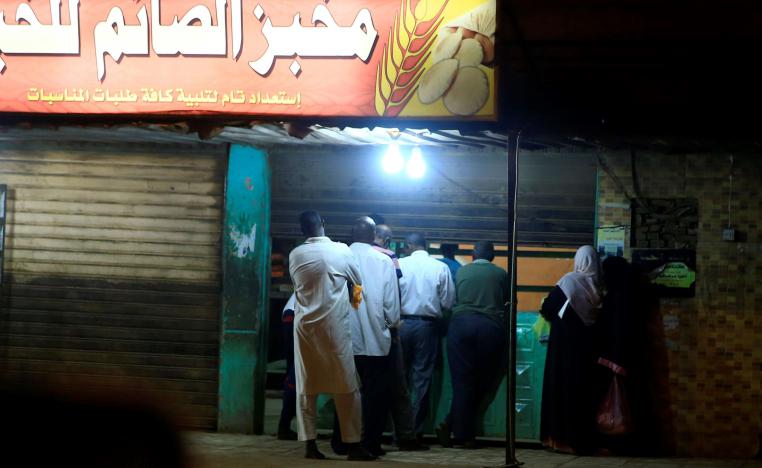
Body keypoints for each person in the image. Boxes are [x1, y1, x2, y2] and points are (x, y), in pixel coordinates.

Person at [289, 210, 375, 461]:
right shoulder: (342, 251)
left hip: (305, 328)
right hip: (335, 327)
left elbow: (299, 286)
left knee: (307, 388)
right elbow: (358, 284)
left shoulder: (296, 254)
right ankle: (354, 446)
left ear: (302, 231)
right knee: (348, 388)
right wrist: (355, 304)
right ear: (323, 224)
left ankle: (309, 445)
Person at [333, 217, 401, 457]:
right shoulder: (383, 261)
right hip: (375, 341)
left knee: (344, 392)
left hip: (343, 339)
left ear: (352, 234)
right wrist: (388, 325)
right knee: (375, 395)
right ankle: (370, 443)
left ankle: (341, 442)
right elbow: (391, 307)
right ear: (373, 235)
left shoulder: (338, 258)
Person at [438, 241, 508, 449]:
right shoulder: (501, 274)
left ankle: (456, 427)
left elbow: (450, 300)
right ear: (492, 256)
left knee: (462, 382)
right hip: (490, 328)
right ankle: (462, 433)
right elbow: (507, 301)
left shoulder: (460, 271)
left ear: (472, 254)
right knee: (483, 383)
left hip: (460, 325)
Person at [539, 245, 603, 455]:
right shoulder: (599, 285)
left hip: (563, 348)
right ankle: (580, 440)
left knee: (560, 390)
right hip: (586, 349)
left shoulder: (569, 281)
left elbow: (548, 308)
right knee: (581, 394)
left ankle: (560, 440)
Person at [372, 223, 429, 451]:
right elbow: (392, 297)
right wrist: (392, 325)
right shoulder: (389, 257)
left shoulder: (350, 255)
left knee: (369, 386)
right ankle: (406, 435)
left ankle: (369, 437)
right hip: (391, 327)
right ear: (387, 239)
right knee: (402, 384)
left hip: (360, 330)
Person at [398, 233, 455, 438]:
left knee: (400, 379)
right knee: (422, 379)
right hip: (427, 327)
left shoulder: (399, 264)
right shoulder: (440, 267)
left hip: (401, 324)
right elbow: (448, 302)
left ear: (409, 246)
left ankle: (399, 432)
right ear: (426, 246)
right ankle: (413, 432)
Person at [276, 293, 298, 440]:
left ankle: (285, 426)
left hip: (292, 313)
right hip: (297, 314)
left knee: (295, 371)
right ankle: (284, 426)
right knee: (296, 374)